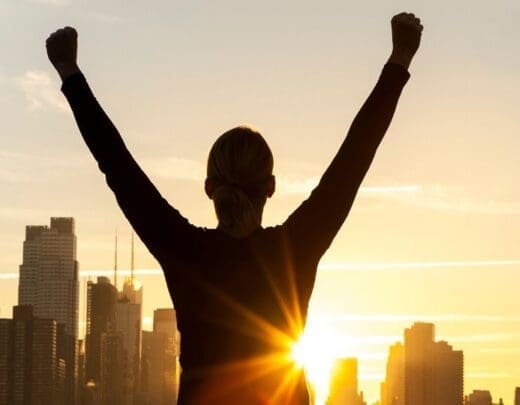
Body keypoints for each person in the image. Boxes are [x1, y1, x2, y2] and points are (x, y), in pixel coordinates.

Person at [46, 12, 423, 405]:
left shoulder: (186, 251)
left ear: (209, 188)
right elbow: (353, 160)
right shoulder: (294, 250)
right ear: (271, 187)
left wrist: (70, 72)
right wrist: (400, 58)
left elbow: (118, 166)